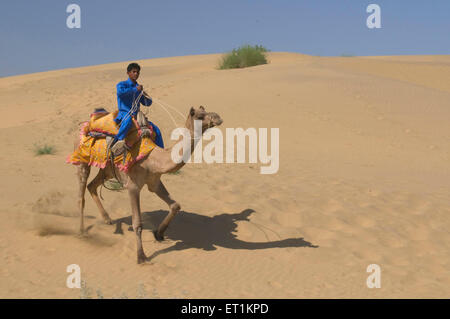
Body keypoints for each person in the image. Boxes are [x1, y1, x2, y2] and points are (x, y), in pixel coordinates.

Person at [110, 62, 164, 154]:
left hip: (137, 116)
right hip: (125, 113)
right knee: (127, 121)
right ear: (128, 73)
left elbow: (147, 103)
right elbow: (120, 93)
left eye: (137, 72)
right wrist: (135, 90)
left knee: (155, 129)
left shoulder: (138, 88)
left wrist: (145, 94)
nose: (136, 74)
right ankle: (117, 141)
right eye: (134, 72)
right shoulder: (122, 85)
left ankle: (161, 151)